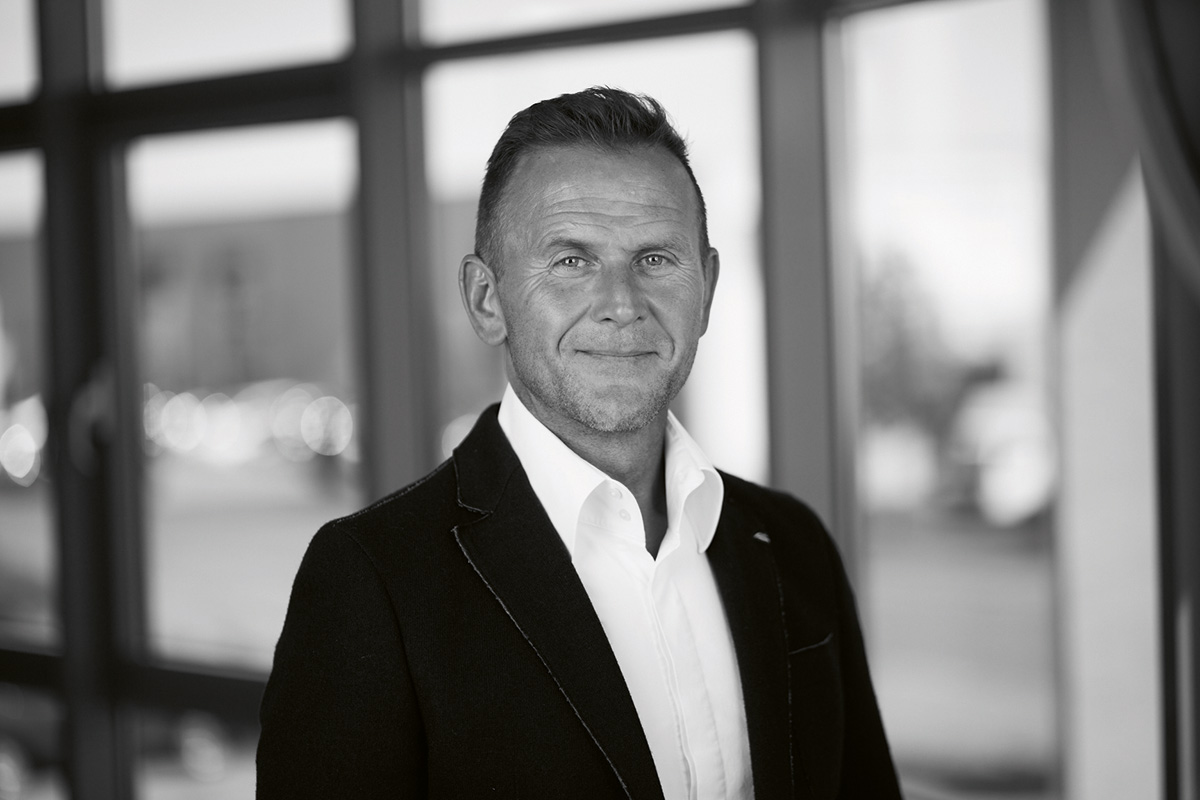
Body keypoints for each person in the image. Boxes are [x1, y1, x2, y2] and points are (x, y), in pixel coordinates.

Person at [257, 87, 900, 800]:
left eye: (656, 259)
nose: (622, 304)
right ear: (487, 300)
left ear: (707, 289)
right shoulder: (370, 581)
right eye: (570, 261)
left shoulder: (793, 544)